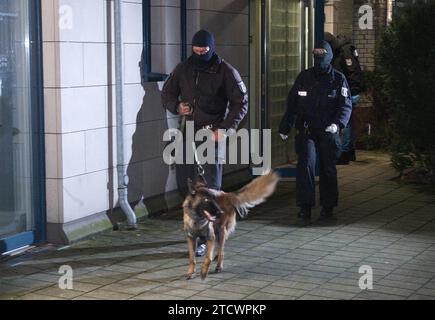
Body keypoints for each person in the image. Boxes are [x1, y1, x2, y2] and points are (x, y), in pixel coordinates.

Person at [161, 29, 248, 255]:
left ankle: (205, 239)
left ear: (212, 48)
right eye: (196, 50)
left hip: (212, 134)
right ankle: (194, 229)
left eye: (204, 50)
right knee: (185, 184)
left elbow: (241, 103)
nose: (200, 54)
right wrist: (176, 106)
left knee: (209, 191)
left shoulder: (225, 71)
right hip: (188, 132)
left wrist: (225, 129)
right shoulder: (184, 68)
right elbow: (167, 94)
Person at [279, 40, 352, 224]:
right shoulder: (305, 77)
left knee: (328, 168)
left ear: (329, 55)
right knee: (306, 166)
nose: (319, 57)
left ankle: (328, 207)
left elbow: (345, 105)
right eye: (316, 53)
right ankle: (305, 207)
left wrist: (337, 124)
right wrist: (286, 125)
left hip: (328, 131)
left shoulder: (338, 78)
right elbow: (293, 104)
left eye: (323, 53)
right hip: (307, 129)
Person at [325, 32, 363, 164]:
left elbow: (351, 72)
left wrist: (351, 92)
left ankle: (344, 153)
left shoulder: (344, 51)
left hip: (349, 92)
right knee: (349, 122)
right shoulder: (344, 50)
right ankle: (349, 151)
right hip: (350, 92)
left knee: (344, 122)